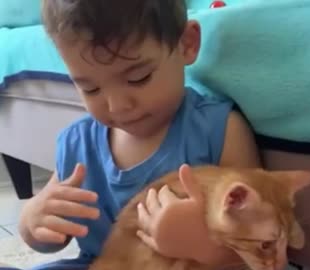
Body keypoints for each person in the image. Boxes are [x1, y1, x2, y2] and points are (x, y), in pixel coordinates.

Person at [7, 0, 261, 269]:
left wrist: (203, 248)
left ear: (186, 43)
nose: (117, 106)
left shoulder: (219, 131)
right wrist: (32, 222)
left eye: (138, 78)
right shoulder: (77, 145)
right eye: (90, 89)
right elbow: (54, 234)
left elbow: (257, 241)